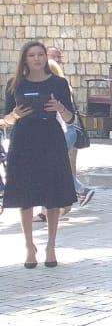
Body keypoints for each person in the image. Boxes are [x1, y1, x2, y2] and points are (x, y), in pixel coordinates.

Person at [3, 42, 78, 268]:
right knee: (25, 195)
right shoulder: (14, 84)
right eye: (31, 55)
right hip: (23, 141)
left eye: (41, 54)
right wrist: (15, 114)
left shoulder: (59, 83)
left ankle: (51, 246)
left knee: (53, 194)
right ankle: (29, 246)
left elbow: (71, 118)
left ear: (46, 57)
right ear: (24, 59)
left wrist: (59, 107)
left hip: (51, 139)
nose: (37, 59)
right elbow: (5, 121)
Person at [46, 46, 94, 208]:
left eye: (58, 56)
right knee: (59, 166)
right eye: (54, 56)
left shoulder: (59, 85)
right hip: (68, 131)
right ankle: (73, 194)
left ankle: (79, 191)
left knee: (52, 166)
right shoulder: (62, 83)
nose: (58, 59)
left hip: (64, 130)